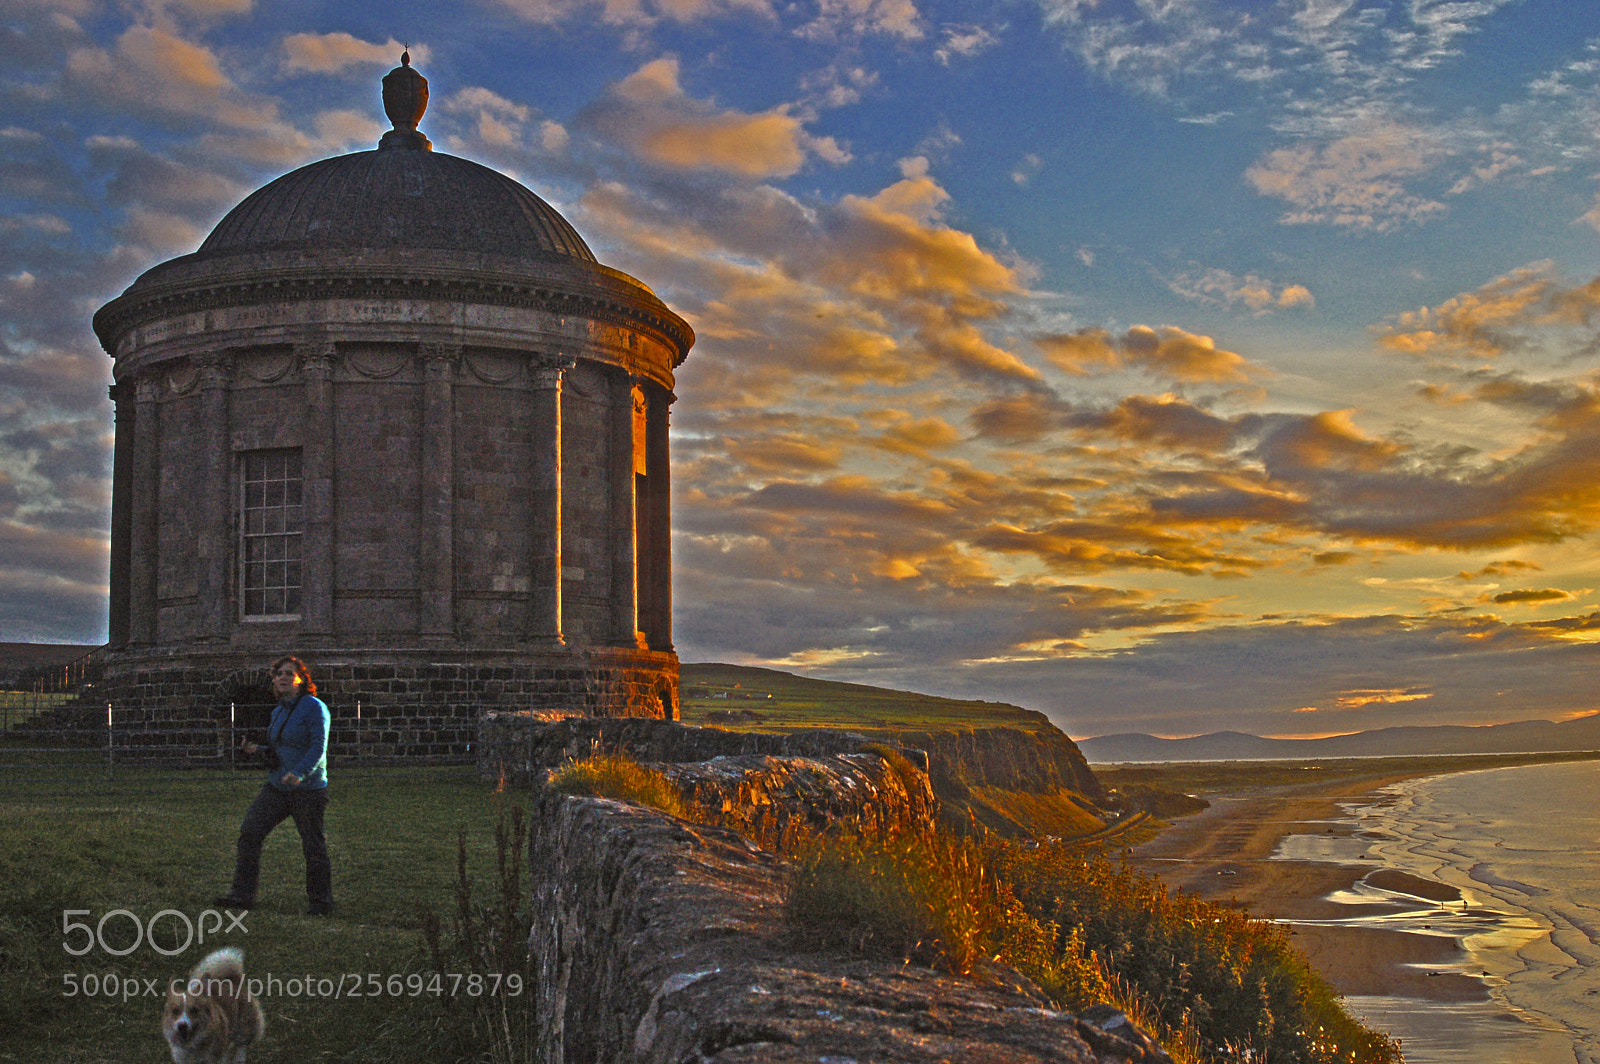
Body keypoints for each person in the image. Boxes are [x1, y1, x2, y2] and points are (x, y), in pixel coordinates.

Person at [215, 655, 334, 916]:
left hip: (308, 789)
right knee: (250, 832)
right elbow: (278, 747)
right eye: (279, 673)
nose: (283, 677)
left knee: (313, 845)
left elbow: (318, 747)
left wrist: (299, 773)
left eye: (289, 673)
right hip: (277, 787)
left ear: (301, 679)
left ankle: (321, 903)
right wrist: (257, 749)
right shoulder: (278, 710)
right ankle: (242, 894)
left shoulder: (314, 707)